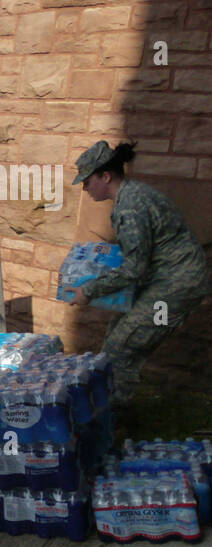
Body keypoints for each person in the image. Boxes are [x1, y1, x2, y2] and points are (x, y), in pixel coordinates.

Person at [63, 140, 210, 415]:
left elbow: (134, 269)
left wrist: (89, 290)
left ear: (105, 176)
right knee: (116, 337)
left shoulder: (130, 207)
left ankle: (112, 420)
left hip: (176, 291)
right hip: (167, 281)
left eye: (87, 181)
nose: (85, 188)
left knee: (124, 347)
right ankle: (111, 408)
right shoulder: (132, 195)